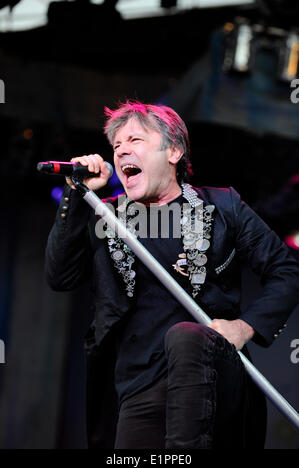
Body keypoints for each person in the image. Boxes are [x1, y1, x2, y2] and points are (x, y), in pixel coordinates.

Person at [45, 100, 299, 449]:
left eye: (134, 140)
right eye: (116, 145)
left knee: (185, 336)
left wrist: (244, 328)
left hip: (211, 373)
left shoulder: (223, 207)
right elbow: (60, 277)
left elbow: (286, 270)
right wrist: (77, 193)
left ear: (174, 151)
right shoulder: (107, 217)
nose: (121, 151)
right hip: (138, 382)